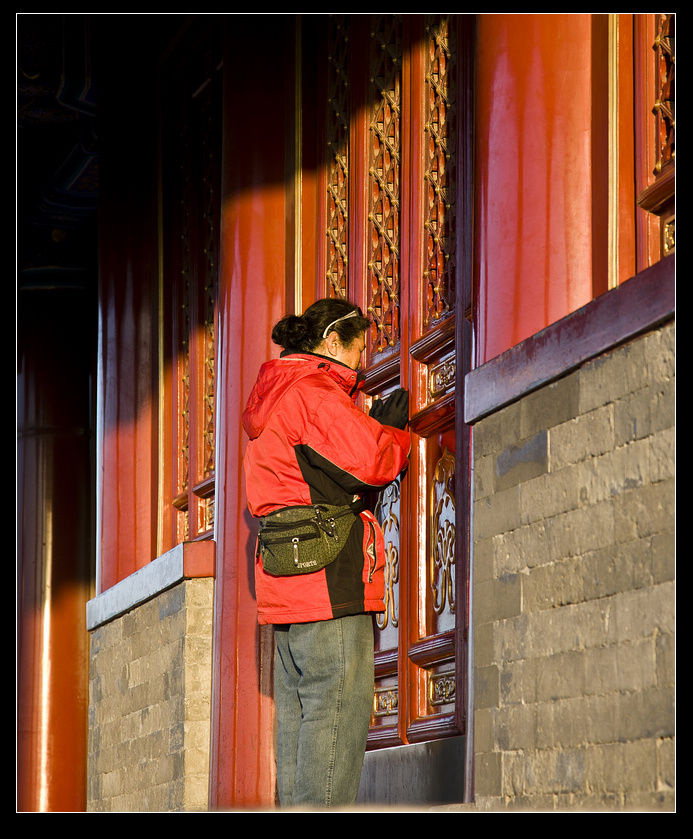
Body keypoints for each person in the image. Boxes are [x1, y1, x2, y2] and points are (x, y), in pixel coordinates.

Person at [242, 298, 410, 808]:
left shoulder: (272, 393)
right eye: (359, 351)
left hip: (283, 576)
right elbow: (369, 463)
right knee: (337, 707)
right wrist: (394, 432)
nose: (361, 365)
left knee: (300, 710)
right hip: (327, 573)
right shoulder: (312, 393)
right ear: (333, 342)